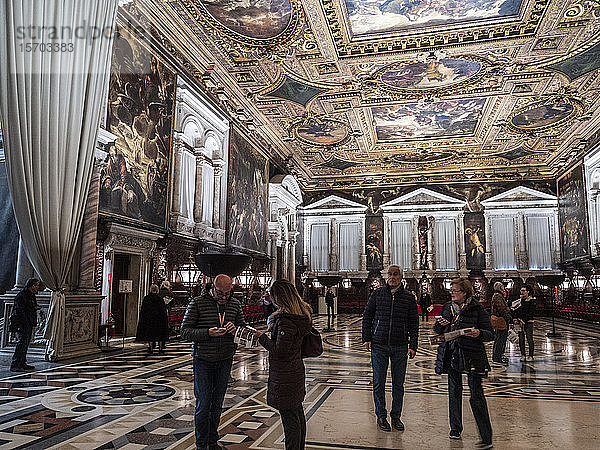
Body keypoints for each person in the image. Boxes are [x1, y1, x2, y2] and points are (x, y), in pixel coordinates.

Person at [181, 274, 246, 450]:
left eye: (227, 293)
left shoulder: (235, 304)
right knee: (204, 404)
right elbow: (184, 332)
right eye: (220, 293)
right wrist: (207, 333)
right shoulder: (197, 303)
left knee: (217, 404)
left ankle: (212, 442)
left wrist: (236, 329)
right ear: (212, 288)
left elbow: (244, 329)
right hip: (203, 359)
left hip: (225, 359)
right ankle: (202, 445)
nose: (224, 297)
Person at [434, 278, 493, 449]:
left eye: (455, 290)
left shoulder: (477, 309)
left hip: (472, 355)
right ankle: (455, 428)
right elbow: (438, 332)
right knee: (454, 392)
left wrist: (478, 333)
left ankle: (486, 437)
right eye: (451, 290)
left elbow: (490, 333)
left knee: (476, 396)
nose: (452, 293)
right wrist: (440, 325)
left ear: (465, 292)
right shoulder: (447, 308)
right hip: (452, 354)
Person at [254, 279, 312, 450]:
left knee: (290, 419)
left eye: (271, 294)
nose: (269, 297)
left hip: (286, 373)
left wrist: (261, 337)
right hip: (294, 370)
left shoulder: (286, 320)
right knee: (296, 413)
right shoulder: (299, 315)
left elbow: (280, 351)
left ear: (279, 296)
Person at [361, 265, 419, 432]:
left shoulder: (408, 297)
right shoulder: (377, 294)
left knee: (398, 384)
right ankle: (381, 415)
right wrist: (367, 338)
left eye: (396, 274)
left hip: (400, 345)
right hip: (379, 345)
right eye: (390, 274)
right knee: (379, 382)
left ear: (401, 277)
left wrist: (413, 345)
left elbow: (414, 324)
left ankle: (396, 416)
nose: (392, 277)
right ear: (386, 276)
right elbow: (367, 316)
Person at [10, 278, 41, 372]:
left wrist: (34, 308)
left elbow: (30, 306)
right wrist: (32, 309)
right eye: (36, 285)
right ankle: (15, 364)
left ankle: (22, 363)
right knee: (21, 344)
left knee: (25, 344)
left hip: (28, 322)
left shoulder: (31, 295)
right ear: (32, 286)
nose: (37, 288)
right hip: (22, 322)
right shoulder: (22, 295)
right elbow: (19, 310)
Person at [136, 284, 169, 354]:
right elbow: (163, 311)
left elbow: (143, 310)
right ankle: (160, 349)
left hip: (149, 319)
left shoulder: (146, 298)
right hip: (159, 320)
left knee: (150, 334)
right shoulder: (160, 299)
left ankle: (150, 348)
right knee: (160, 334)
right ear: (157, 290)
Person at [512, 284, 536, 361]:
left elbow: (531, 313)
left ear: (528, 291)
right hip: (519, 322)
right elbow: (515, 310)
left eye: (523, 290)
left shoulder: (532, 300)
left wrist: (523, 320)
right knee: (521, 339)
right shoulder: (519, 300)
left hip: (528, 322)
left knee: (529, 338)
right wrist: (515, 318)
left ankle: (531, 355)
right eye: (521, 290)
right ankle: (523, 355)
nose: (521, 292)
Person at [491, 282, 511, 365]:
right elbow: (502, 309)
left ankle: (498, 356)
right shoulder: (497, 296)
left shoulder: (498, 295)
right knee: (500, 339)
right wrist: (508, 317)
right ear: (500, 288)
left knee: (499, 338)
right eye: (503, 287)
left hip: (501, 318)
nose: (504, 288)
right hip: (501, 319)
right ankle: (497, 357)